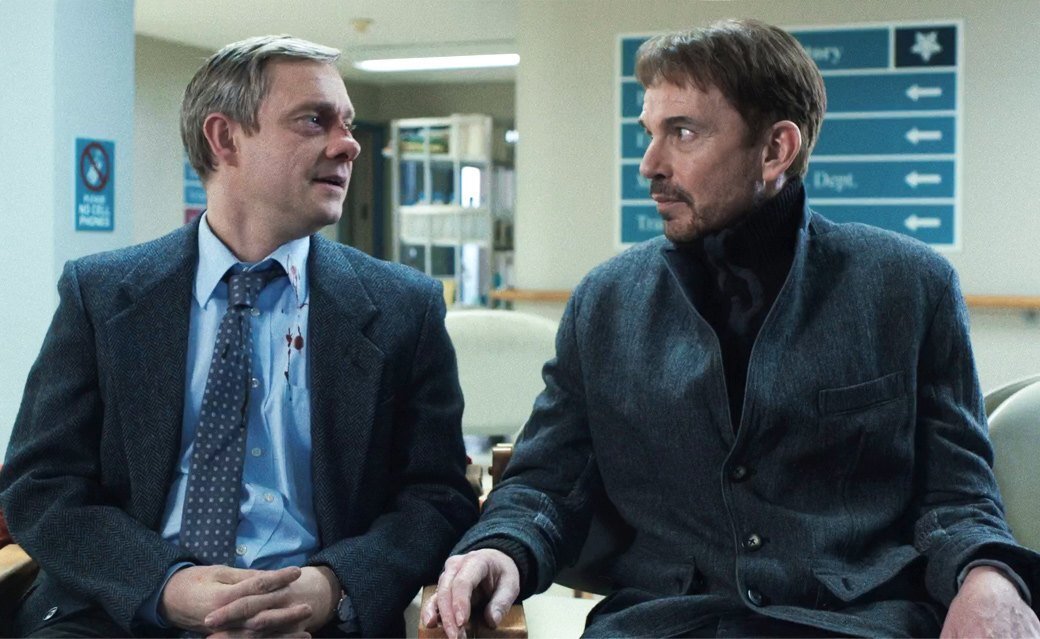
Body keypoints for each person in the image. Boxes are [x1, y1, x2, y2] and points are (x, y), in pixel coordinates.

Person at [423, 19, 1040, 638]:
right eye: (649, 133)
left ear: (775, 150)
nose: (649, 164)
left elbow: (958, 495)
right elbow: (548, 482)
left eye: (683, 133)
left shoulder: (907, 286)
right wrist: (500, 547)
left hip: (850, 623)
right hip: (664, 624)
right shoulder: (606, 302)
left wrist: (988, 574)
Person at [0, 35, 478, 637]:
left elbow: (437, 497)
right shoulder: (101, 295)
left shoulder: (404, 308)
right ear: (224, 139)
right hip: (121, 612)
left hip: (313, 618)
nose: (349, 144)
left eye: (348, 124)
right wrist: (165, 585)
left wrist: (333, 586)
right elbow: (41, 486)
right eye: (314, 120)